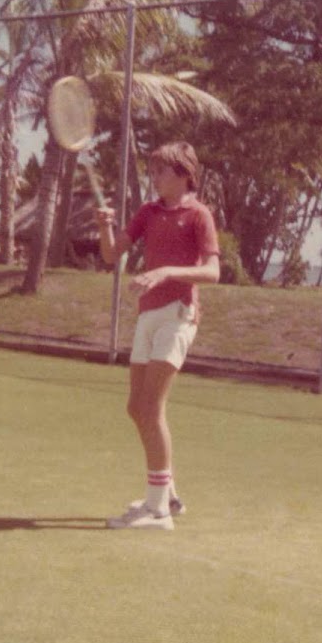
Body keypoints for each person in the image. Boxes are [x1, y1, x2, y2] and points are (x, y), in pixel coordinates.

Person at [95, 141, 221, 530]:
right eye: (152, 171)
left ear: (184, 175)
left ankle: (157, 510)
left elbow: (213, 272)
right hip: (148, 314)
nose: (154, 177)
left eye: (161, 171)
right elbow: (111, 254)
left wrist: (166, 272)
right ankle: (167, 493)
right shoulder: (148, 212)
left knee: (151, 407)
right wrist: (104, 226)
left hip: (179, 315)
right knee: (137, 407)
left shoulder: (199, 215)